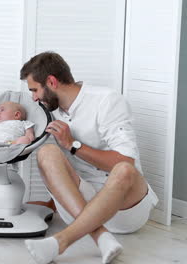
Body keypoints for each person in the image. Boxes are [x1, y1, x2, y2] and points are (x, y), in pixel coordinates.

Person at [19, 51, 158, 264]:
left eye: (35, 90)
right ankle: (101, 236)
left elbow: (126, 161)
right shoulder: (49, 110)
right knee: (46, 152)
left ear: (52, 81)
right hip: (78, 207)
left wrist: (73, 145)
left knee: (124, 169)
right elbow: (57, 168)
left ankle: (62, 241)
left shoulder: (107, 100)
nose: (34, 97)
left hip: (125, 211)